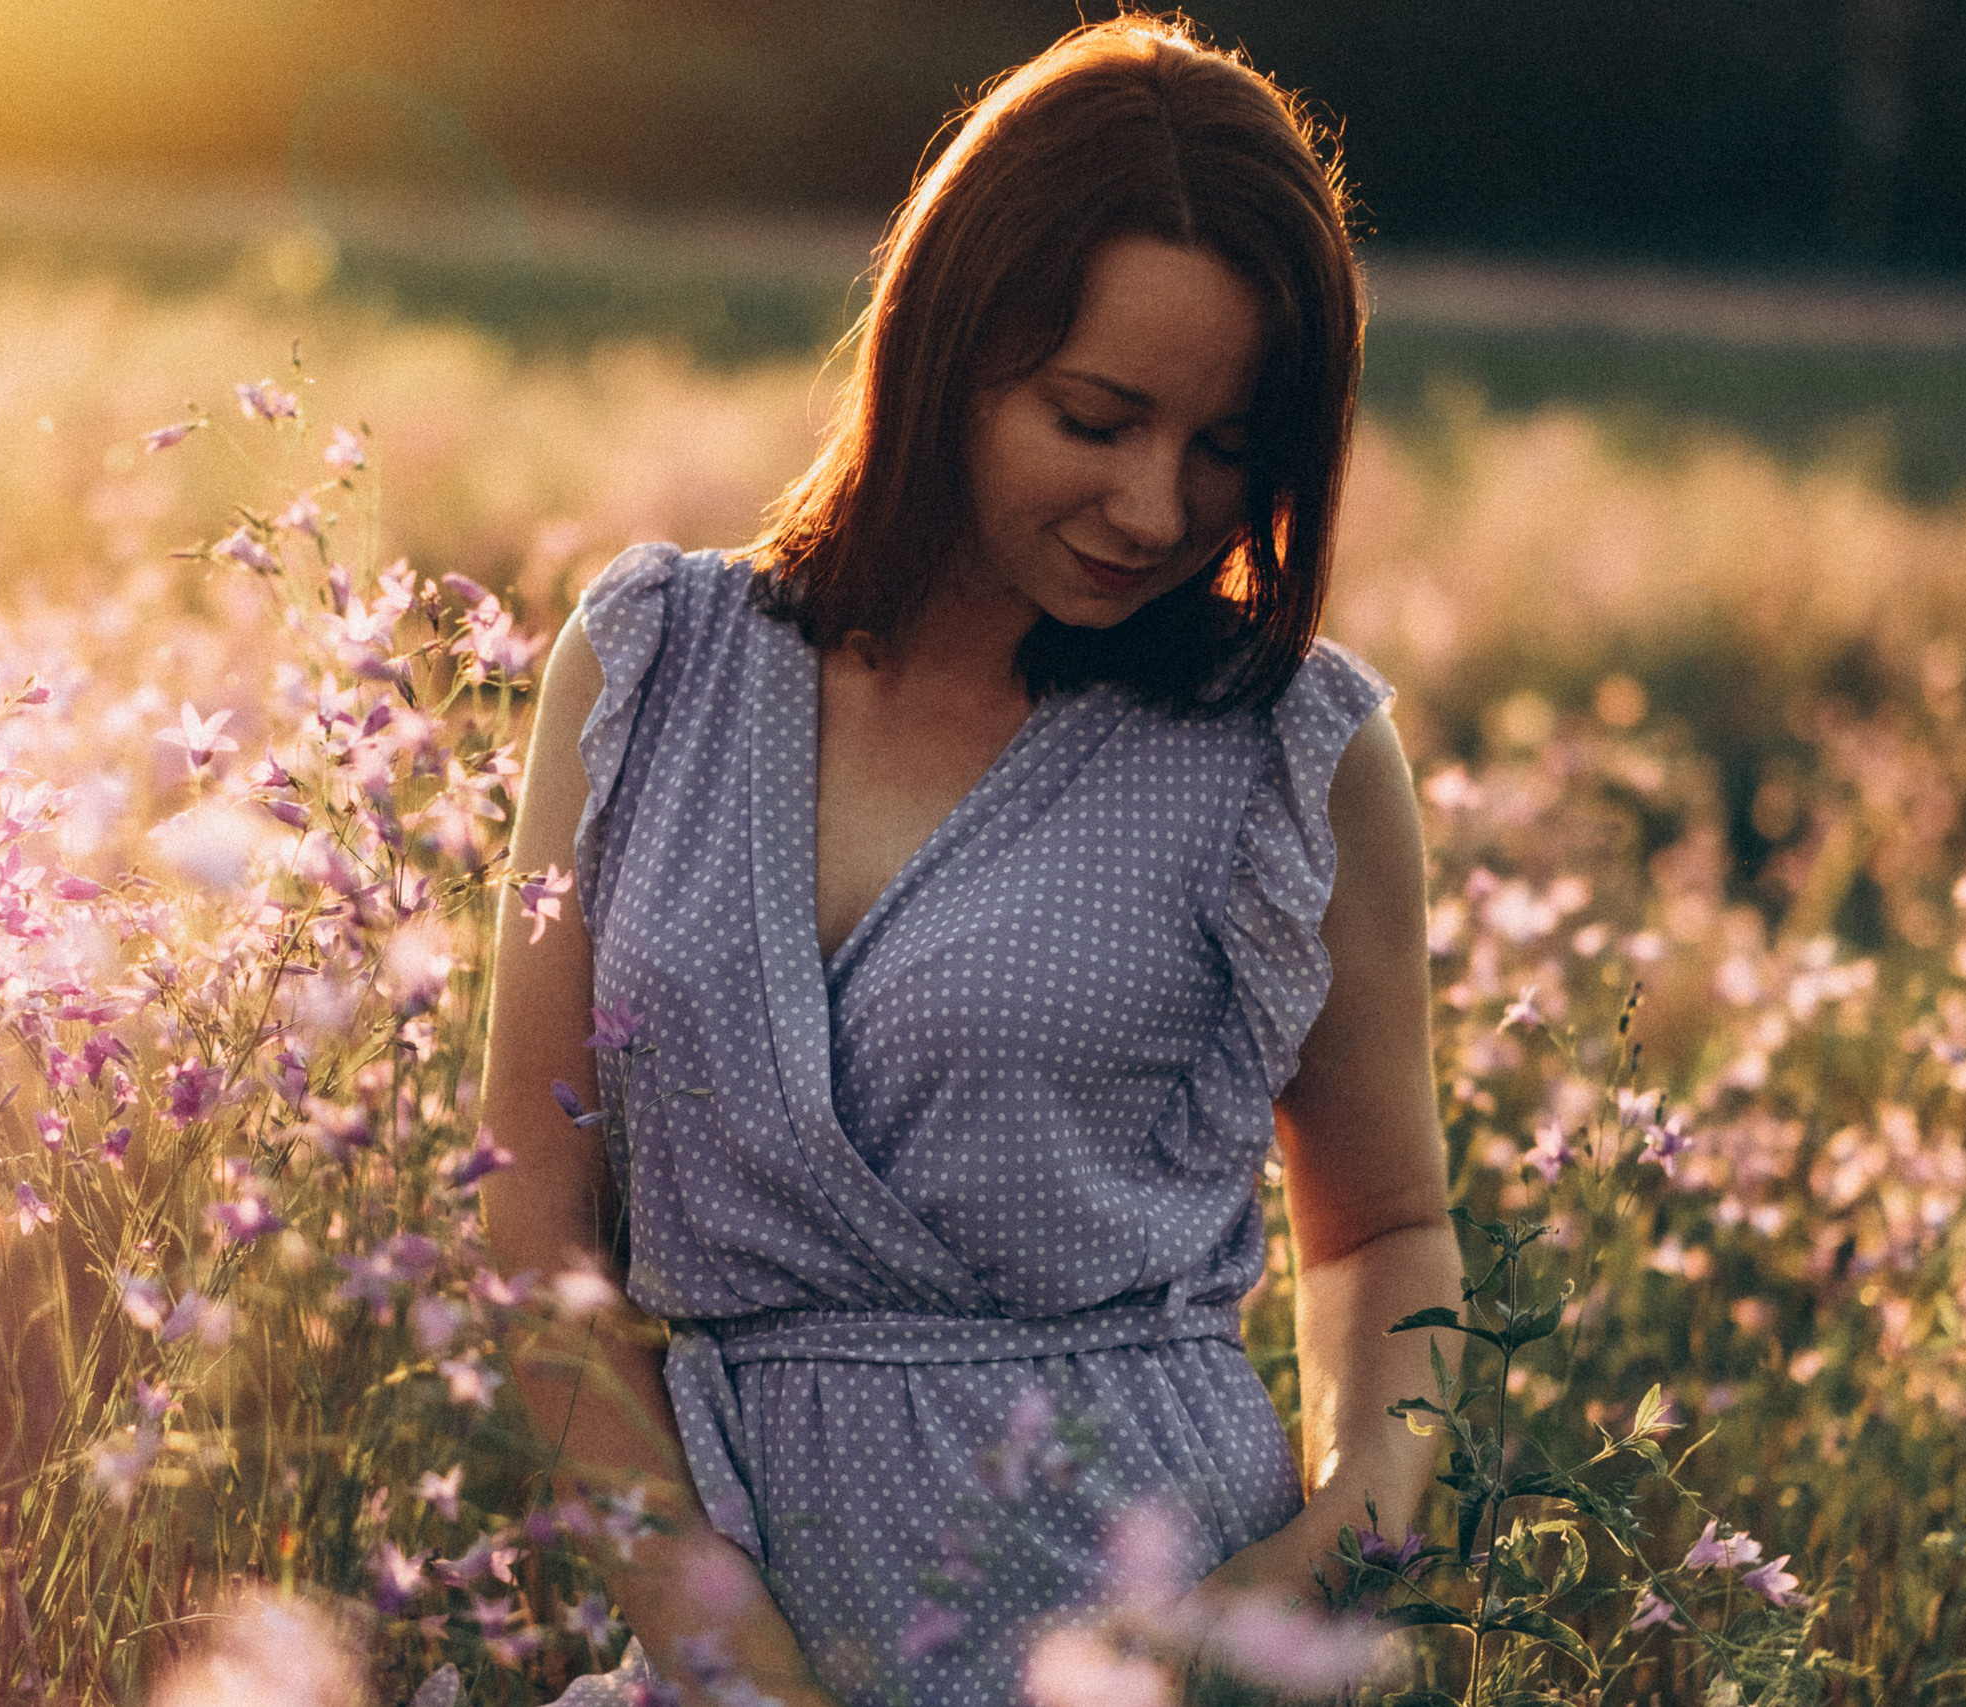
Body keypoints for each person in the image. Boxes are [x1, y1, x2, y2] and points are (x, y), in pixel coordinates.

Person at [478, 14, 1457, 1704]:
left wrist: (1307, 1590)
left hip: (1141, 1645)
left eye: (1229, 449)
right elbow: (530, 1225)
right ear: (944, 350)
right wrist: (732, 1666)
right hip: (721, 1638)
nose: (1158, 508)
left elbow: (1384, 1234)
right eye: (1098, 417)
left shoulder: (1288, 750)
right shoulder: (650, 666)